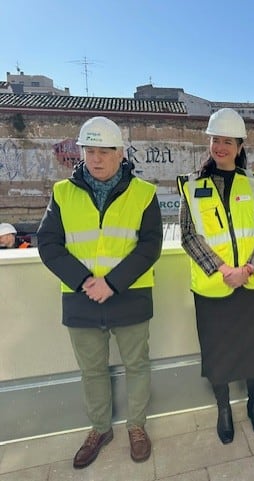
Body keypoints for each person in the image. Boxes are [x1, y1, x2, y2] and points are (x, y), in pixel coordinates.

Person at [37, 116, 162, 468]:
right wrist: (83, 281)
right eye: (89, 150)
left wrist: (112, 283)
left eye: (104, 151)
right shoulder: (62, 193)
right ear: (81, 152)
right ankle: (100, 429)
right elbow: (48, 243)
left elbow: (150, 246)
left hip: (130, 296)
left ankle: (137, 427)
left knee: (137, 365)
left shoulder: (144, 194)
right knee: (92, 370)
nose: (96, 158)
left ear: (120, 153)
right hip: (81, 300)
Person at [177, 108, 254, 445]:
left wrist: (247, 269)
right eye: (215, 140)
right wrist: (223, 270)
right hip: (213, 285)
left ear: (239, 145)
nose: (220, 146)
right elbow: (189, 236)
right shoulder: (192, 186)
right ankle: (223, 409)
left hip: (250, 282)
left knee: (251, 349)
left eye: (227, 141)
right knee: (217, 351)